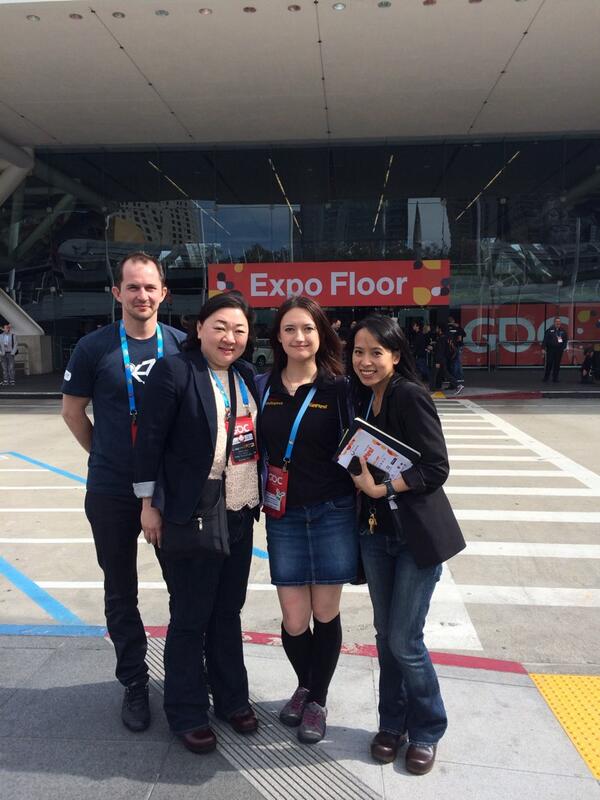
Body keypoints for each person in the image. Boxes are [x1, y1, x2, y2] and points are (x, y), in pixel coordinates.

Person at [61, 251, 186, 732]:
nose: (142, 295)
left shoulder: (181, 345)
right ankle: (134, 681)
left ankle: (184, 673)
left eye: (150, 287)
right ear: (117, 293)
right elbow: (73, 412)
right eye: (132, 287)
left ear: (164, 293)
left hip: (168, 489)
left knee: (183, 585)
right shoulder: (93, 348)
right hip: (111, 489)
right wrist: (104, 454)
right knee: (120, 590)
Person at [133, 292, 261, 755]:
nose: (230, 337)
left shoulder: (246, 375)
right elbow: (148, 441)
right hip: (191, 512)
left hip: (239, 508)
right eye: (220, 327)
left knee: (227, 611)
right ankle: (186, 712)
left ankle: (231, 699)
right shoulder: (175, 371)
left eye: (239, 329)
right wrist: (148, 505)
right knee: (190, 615)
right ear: (200, 328)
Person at [347, 314, 465, 775]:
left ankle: (427, 729)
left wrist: (383, 488)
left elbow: (436, 468)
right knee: (385, 635)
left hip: (415, 537)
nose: (365, 361)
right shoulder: (363, 397)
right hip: (376, 534)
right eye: (358, 352)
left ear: (396, 355)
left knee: (404, 639)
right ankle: (391, 724)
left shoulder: (410, 395)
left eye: (376, 352)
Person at [259, 296, 357, 745]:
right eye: (290, 329)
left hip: (332, 511)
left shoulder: (341, 388)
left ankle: (315, 700)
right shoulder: (262, 386)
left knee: (325, 612)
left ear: (322, 335)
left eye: (308, 329)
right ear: (278, 337)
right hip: (283, 514)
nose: (299, 337)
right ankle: (307, 684)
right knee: (295, 619)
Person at [430, 324, 462, 394]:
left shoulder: (441, 338)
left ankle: (433, 388)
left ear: (440, 329)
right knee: (445, 374)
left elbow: (440, 351)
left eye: (437, 328)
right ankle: (457, 385)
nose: (436, 329)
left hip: (439, 359)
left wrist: (437, 361)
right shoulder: (445, 337)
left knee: (435, 373)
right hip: (443, 359)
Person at [543, 317, 568, 383]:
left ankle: (555, 378)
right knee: (549, 363)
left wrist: (564, 347)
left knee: (557, 364)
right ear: (554, 322)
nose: (558, 323)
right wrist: (543, 348)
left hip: (559, 350)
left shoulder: (563, 331)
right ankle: (546, 377)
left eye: (559, 321)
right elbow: (545, 340)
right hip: (551, 349)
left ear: (560, 323)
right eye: (556, 321)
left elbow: (565, 340)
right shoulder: (549, 330)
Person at [446, 315, 466, 389]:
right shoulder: (453, 327)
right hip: (455, 346)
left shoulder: (454, 328)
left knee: (455, 363)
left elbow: (462, 335)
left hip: (455, 347)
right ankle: (458, 379)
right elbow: (463, 335)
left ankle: (457, 379)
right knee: (457, 363)